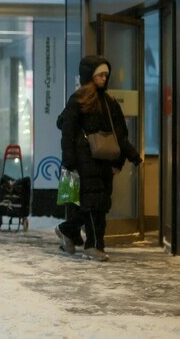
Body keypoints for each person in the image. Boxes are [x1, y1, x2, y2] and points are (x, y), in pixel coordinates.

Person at [56, 55, 142, 262]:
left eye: (106, 75)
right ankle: (94, 246)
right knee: (93, 204)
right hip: (84, 160)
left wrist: (126, 158)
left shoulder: (110, 102)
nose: (104, 78)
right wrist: (69, 161)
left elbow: (120, 134)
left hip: (104, 161)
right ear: (90, 76)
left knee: (97, 203)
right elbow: (65, 128)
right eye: (100, 75)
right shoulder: (79, 100)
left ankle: (67, 230)